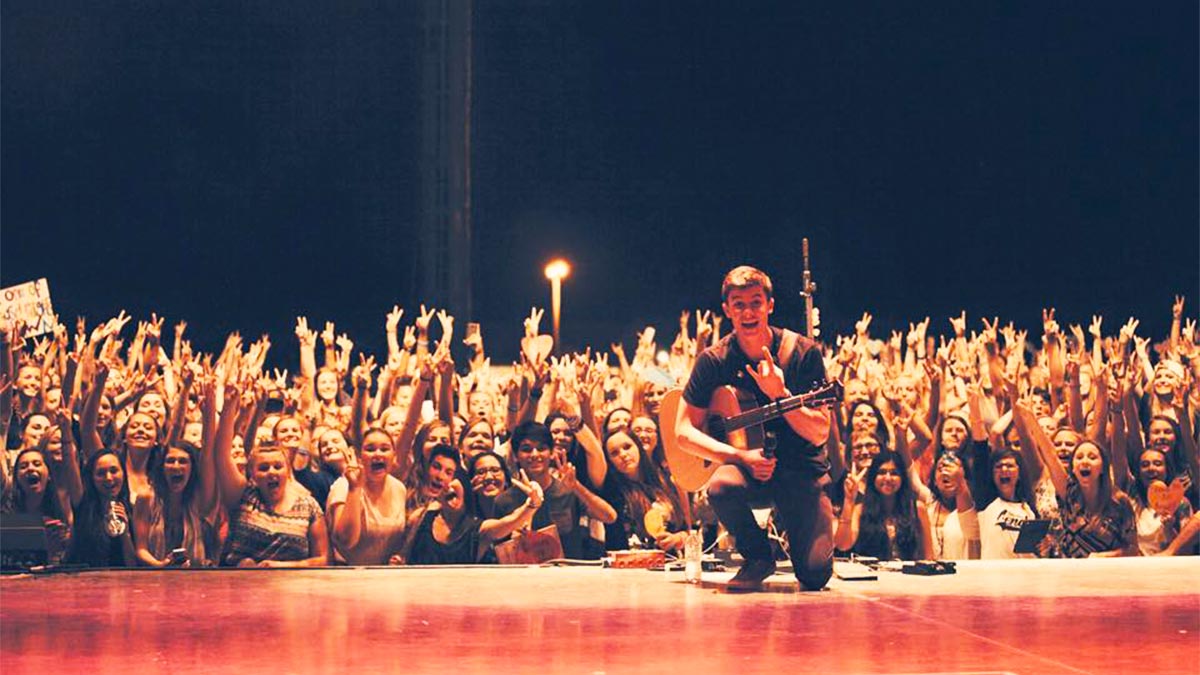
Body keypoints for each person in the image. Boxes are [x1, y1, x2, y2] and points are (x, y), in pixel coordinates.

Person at [673, 265, 834, 591]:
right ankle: (758, 556)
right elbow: (682, 431)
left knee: (814, 576)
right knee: (720, 486)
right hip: (749, 470)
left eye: (756, 302)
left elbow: (820, 432)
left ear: (770, 305)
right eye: (739, 304)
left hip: (802, 471)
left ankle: (804, 524)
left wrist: (782, 395)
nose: (748, 312)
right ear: (727, 310)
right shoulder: (714, 360)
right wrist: (740, 457)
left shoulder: (803, 354)